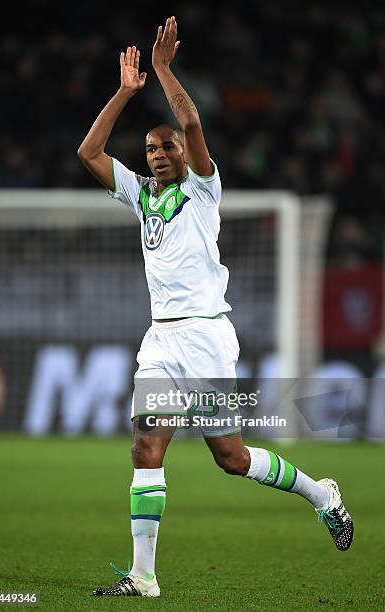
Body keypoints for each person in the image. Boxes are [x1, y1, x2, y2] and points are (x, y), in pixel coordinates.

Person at [78, 16, 354, 598]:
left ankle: (321, 493)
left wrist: (159, 70)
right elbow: (89, 150)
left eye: (166, 147)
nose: (157, 154)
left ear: (184, 153)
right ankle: (144, 577)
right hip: (160, 339)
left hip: (205, 338)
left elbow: (193, 120)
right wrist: (124, 93)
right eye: (150, 148)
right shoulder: (140, 197)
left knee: (229, 458)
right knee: (146, 444)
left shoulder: (205, 189)